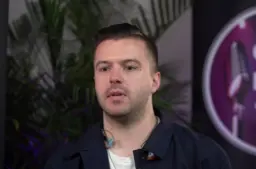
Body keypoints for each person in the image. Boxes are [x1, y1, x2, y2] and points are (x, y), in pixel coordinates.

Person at [44, 23, 232, 169]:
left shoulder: (203, 158)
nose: (114, 78)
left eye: (130, 67)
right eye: (104, 68)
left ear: (155, 81)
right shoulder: (63, 163)